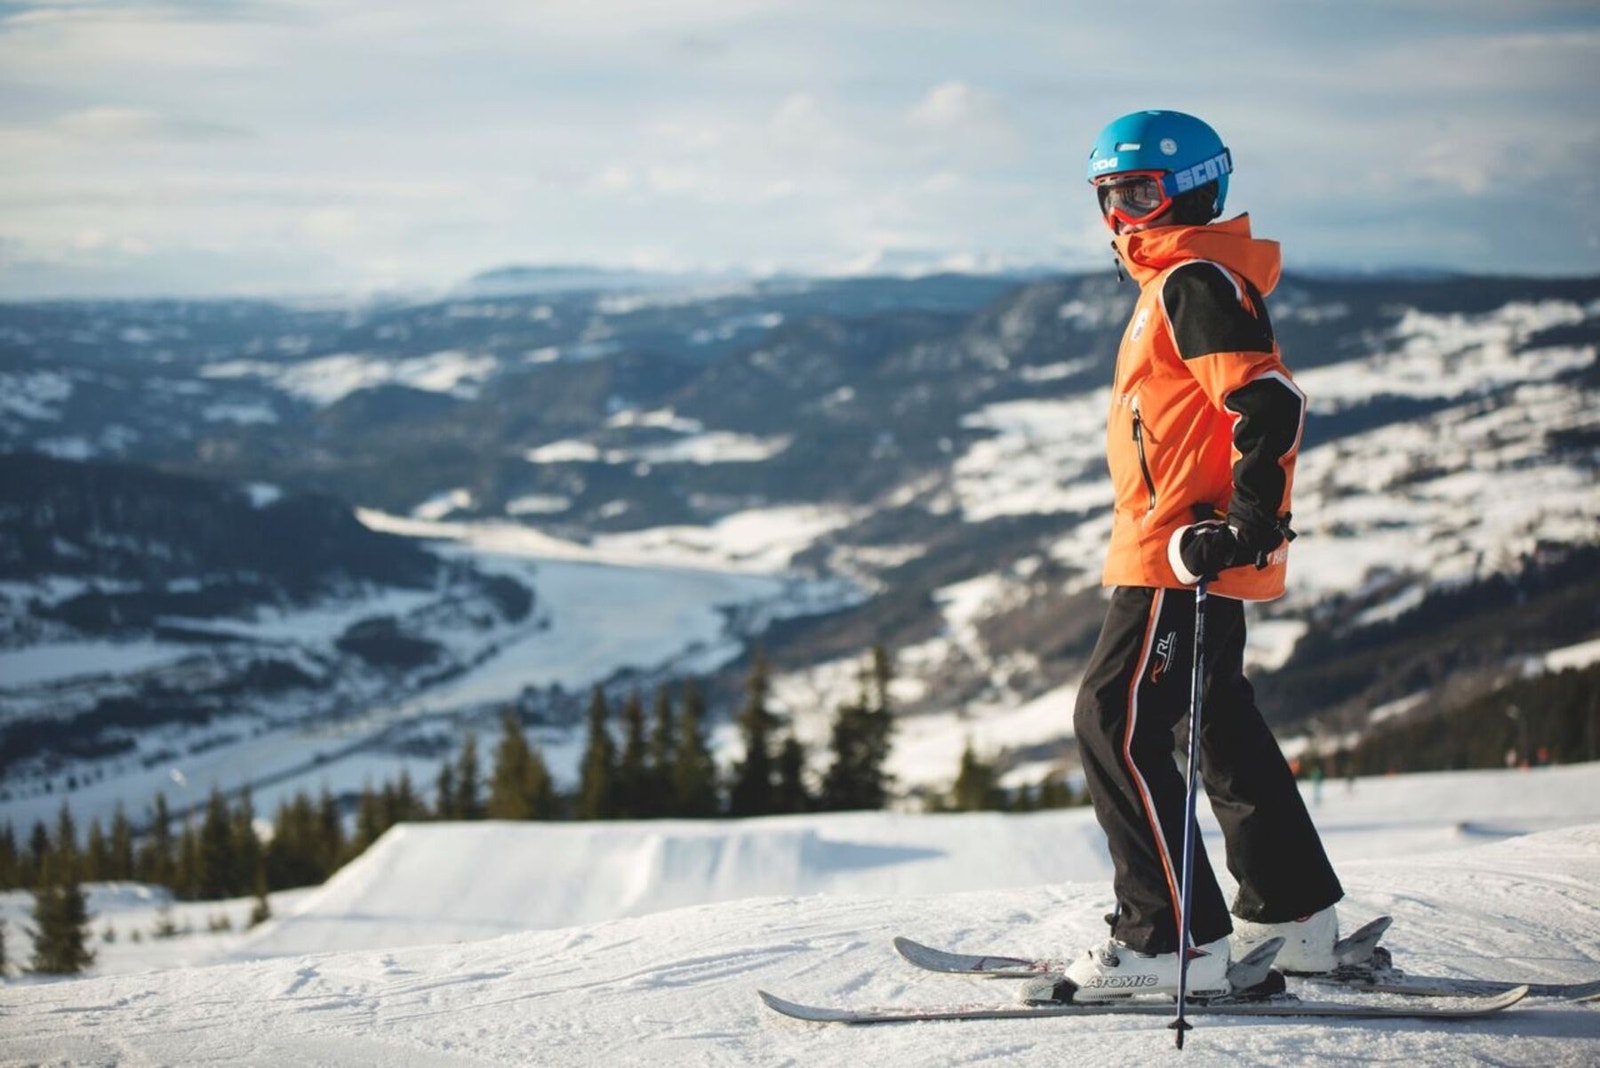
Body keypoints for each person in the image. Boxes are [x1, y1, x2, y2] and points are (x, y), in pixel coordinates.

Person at [1052, 110, 1344, 1002]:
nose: (1122, 216)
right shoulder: (1183, 279)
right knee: (1213, 718)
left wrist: (1245, 528)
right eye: (1109, 197)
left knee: (1114, 725)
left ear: (1197, 187)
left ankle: (1168, 940)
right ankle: (1290, 917)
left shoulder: (1193, 280)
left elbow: (1270, 404)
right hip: (1184, 543)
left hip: (1178, 552)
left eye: (1140, 193)